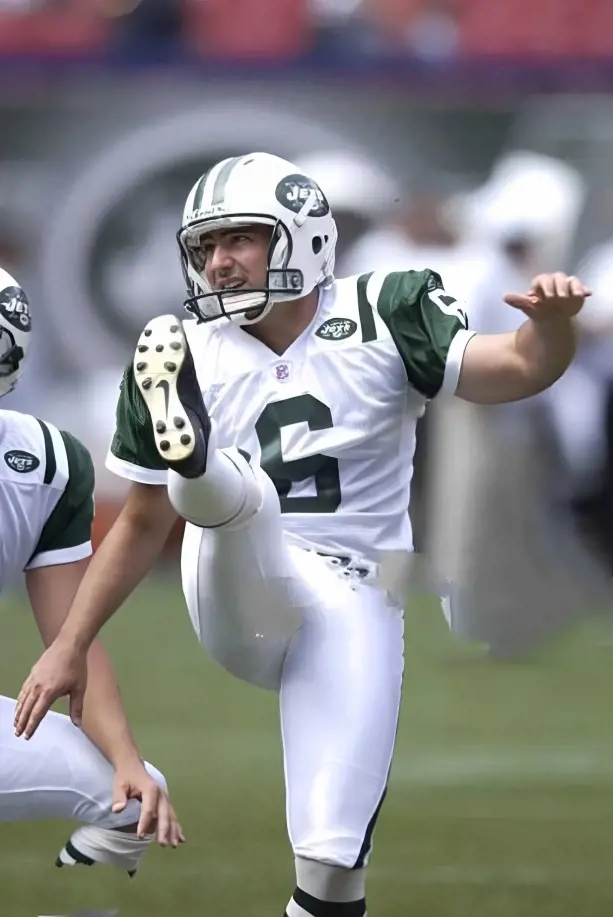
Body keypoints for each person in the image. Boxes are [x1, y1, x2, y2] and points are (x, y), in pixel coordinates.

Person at [14, 152, 589, 916]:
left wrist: (549, 330)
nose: (219, 262)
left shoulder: (385, 308)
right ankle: (200, 463)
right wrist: (69, 643)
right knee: (233, 494)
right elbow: (145, 519)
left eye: (240, 240)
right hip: (237, 578)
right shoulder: (182, 347)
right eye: (206, 248)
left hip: (355, 594)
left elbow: (513, 367)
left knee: (330, 865)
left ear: (301, 237)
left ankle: (205, 470)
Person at [0, 266, 183, 874]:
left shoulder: (40, 466)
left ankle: (73, 896)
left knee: (131, 791)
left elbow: (71, 639)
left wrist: (126, 756)